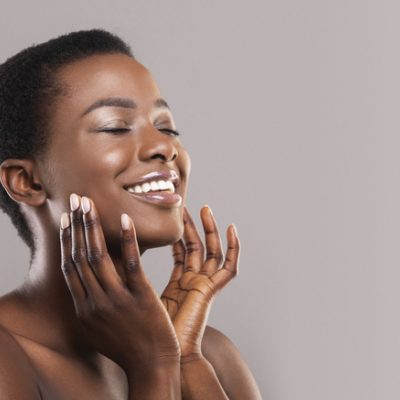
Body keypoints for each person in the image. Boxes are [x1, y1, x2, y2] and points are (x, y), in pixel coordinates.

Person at [0, 29, 262, 399]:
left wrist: (184, 359)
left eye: (166, 126)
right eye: (116, 127)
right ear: (26, 181)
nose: (164, 146)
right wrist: (153, 365)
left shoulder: (210, 354)